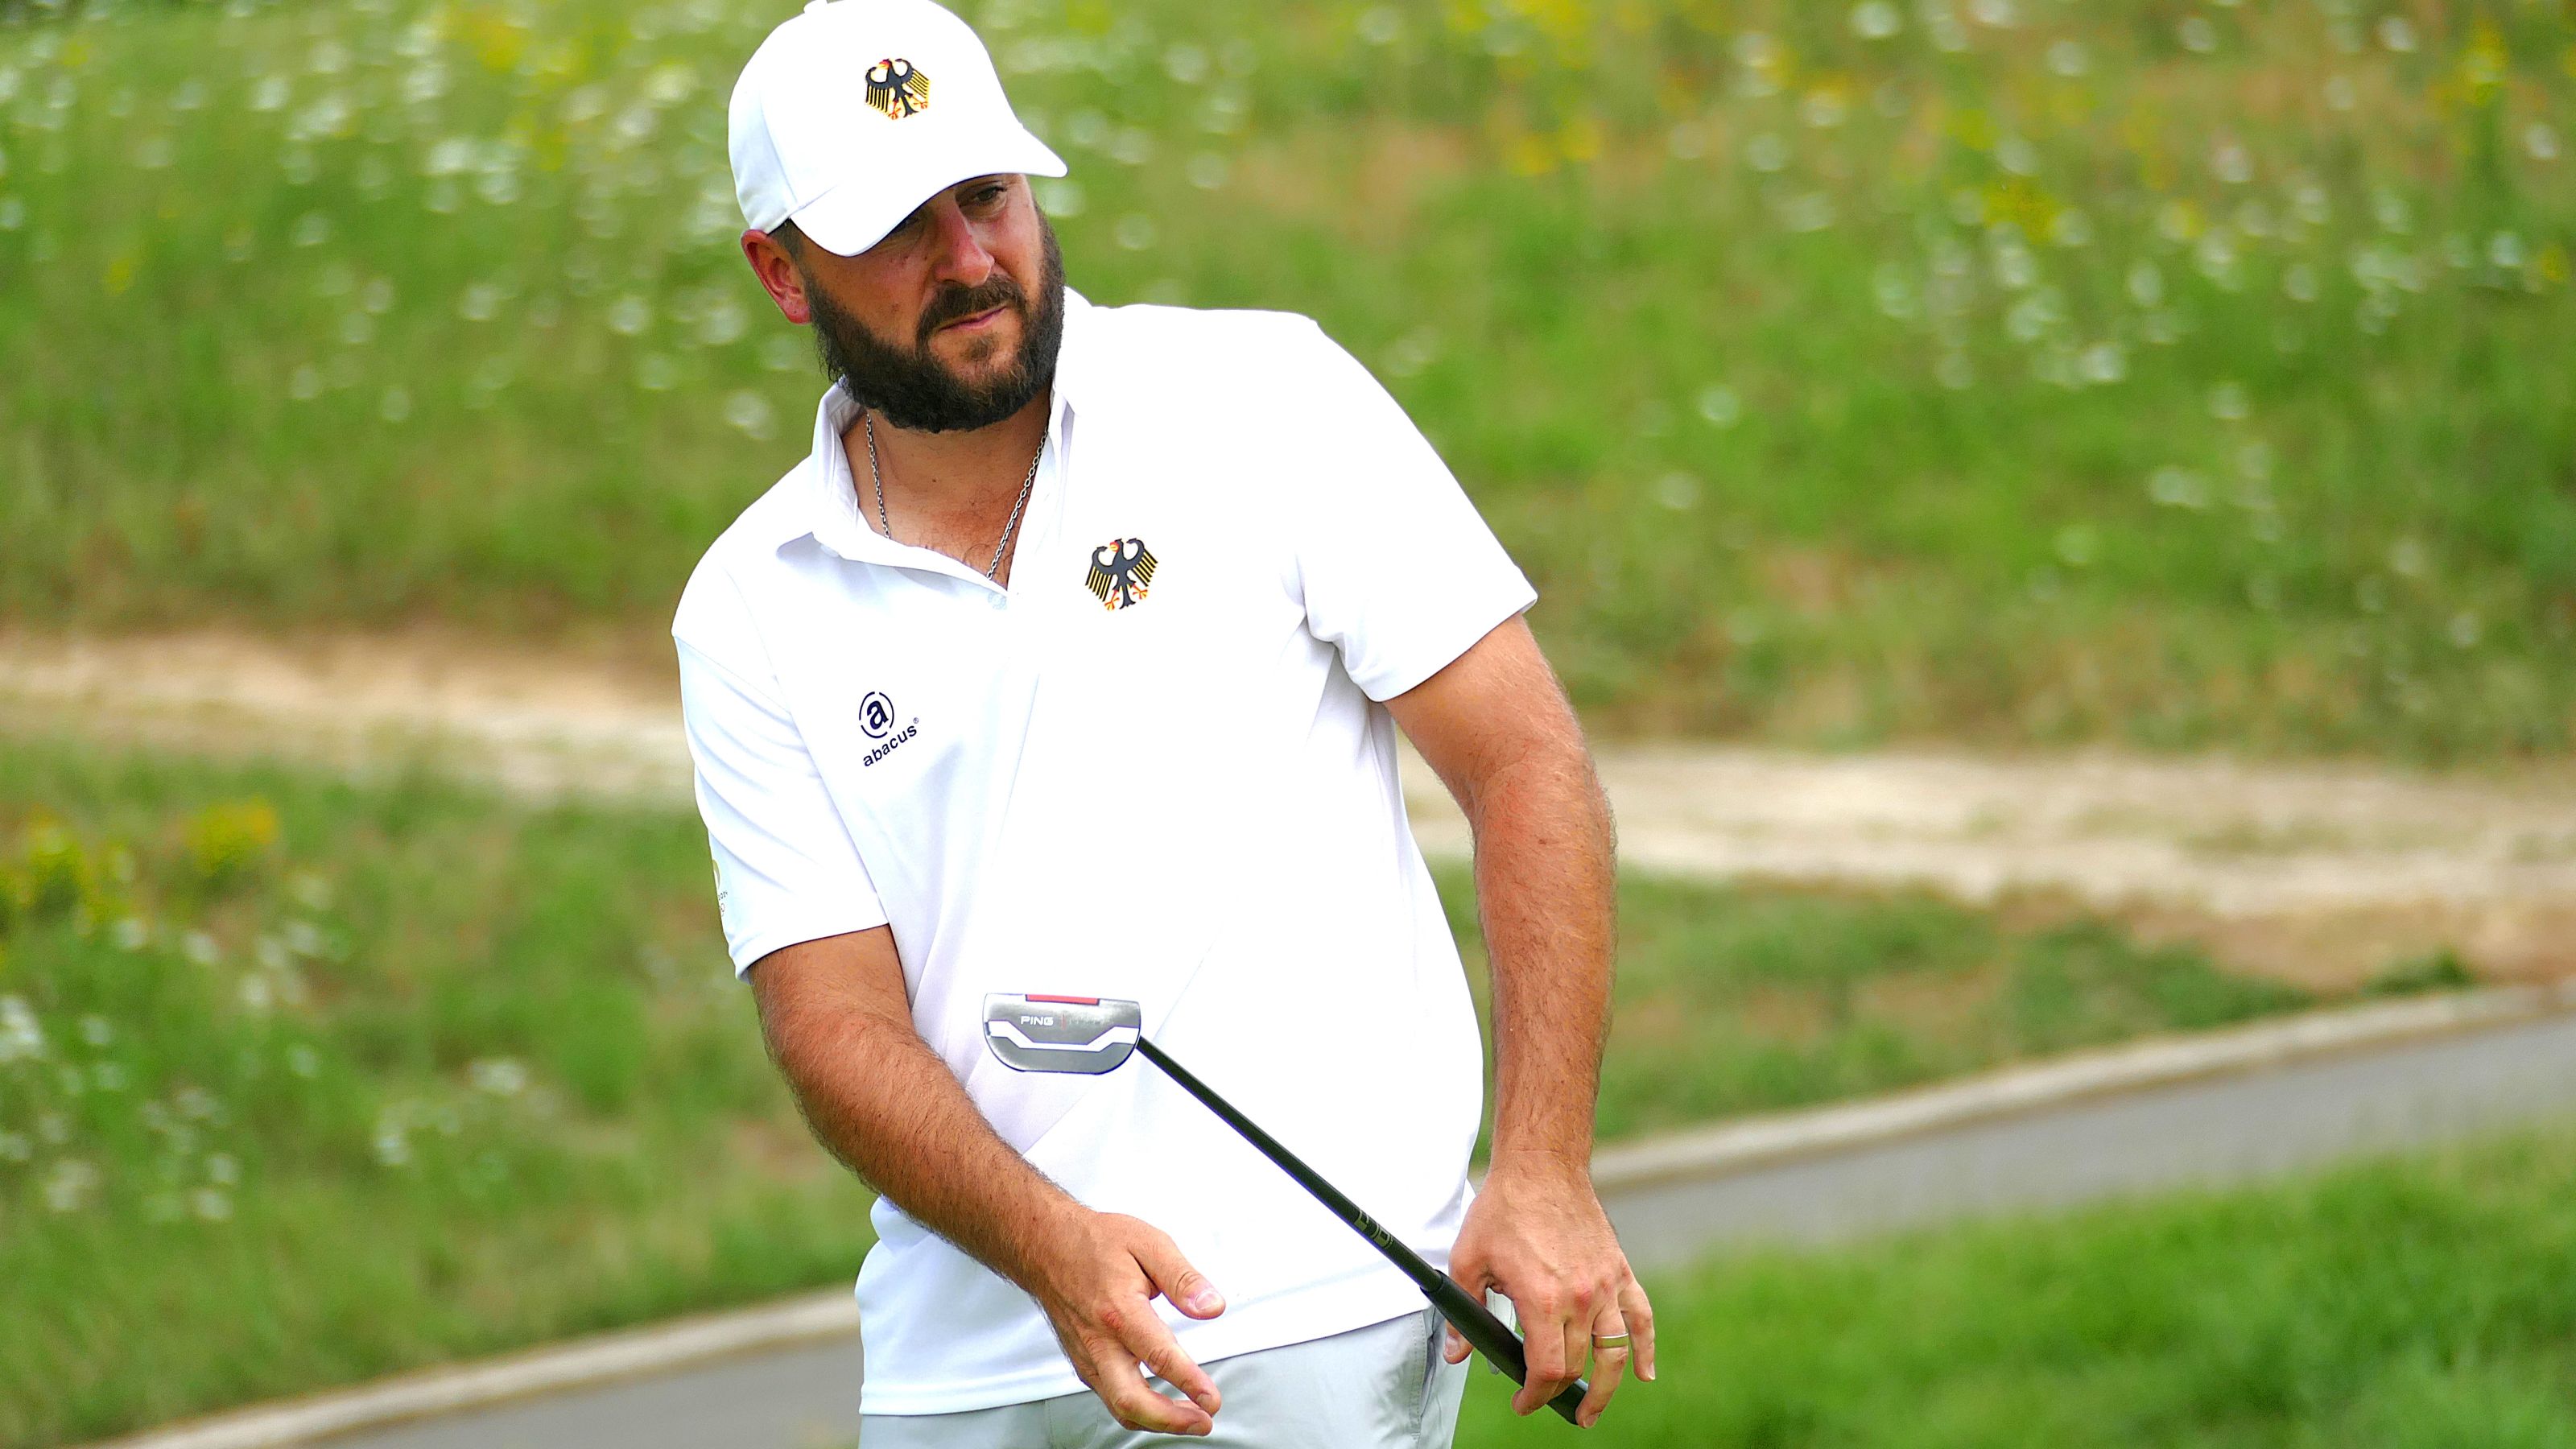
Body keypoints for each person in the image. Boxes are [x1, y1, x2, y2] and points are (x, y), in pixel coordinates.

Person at [675, 0, 1653, 1443]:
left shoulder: (1263, 398)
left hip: (1318, 1318)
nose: (969, 260)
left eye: (987, 195)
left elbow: (1525, 762)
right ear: (781, 271)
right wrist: (1052, 1249)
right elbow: (832, 1024)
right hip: (971, 1373)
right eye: (898, 227)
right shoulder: (751, 604)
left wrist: (1546, 1167)